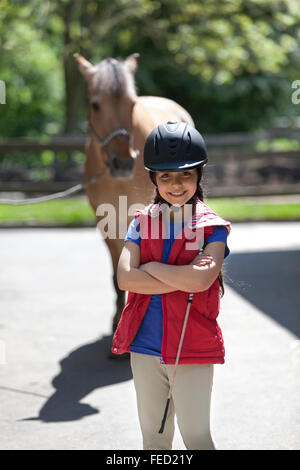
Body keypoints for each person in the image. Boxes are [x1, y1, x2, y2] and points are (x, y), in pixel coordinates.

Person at [112, 121, 231, 450]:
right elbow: (125, 278)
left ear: (198, 176)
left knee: (196, 438)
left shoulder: (212, 228)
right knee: (155, 439)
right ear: (154, 178)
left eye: (185, 175)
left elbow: (201, 278)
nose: (176, 184)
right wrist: (181, 277)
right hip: (144, 348)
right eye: (166, 176)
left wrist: (149, 268)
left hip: (192, 348)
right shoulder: (140, 222)